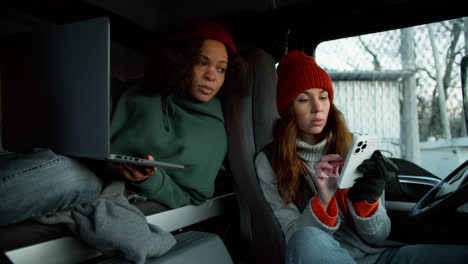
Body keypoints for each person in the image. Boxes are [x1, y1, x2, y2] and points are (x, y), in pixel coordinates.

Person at [0, 18, 243, 226]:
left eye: (221, 69)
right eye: (202, 62)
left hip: (100, 179)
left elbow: (192, 196)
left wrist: (150, 179)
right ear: (182, 61)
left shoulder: (213, 131)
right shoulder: (142, 90)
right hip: (63, 148)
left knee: (68, 176)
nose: (212, 75)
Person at [254, 50, 468, 264]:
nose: (318, 108)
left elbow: (379, 234)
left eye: (323, 97)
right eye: (303, 99)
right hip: (329, 256)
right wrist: (323, 199)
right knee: (305, 239)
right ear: (288, 108)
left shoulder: (354, 146)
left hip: (379, 256)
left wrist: (368, 201)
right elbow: (297, 242)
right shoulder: (270, 161)